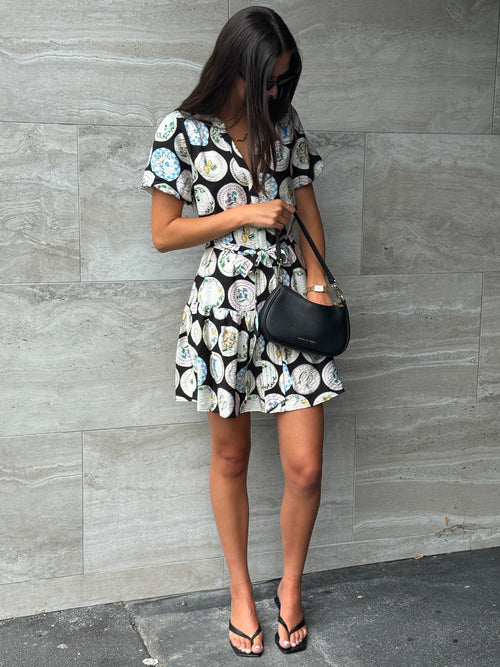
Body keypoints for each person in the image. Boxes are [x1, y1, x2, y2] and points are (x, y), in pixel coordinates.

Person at [142, 5, 343, 657]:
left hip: (289, 306)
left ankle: (290, 588)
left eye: (285, 80)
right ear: (237, 68)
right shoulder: (180, 129)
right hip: (221, 311)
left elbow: (307, 209)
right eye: (269, 79)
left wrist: (319, 287)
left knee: (305, 467)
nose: (277, 91)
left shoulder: (285, 124)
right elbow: (164, 233)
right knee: (231, 458)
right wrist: (244, 214)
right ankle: (238, 591)